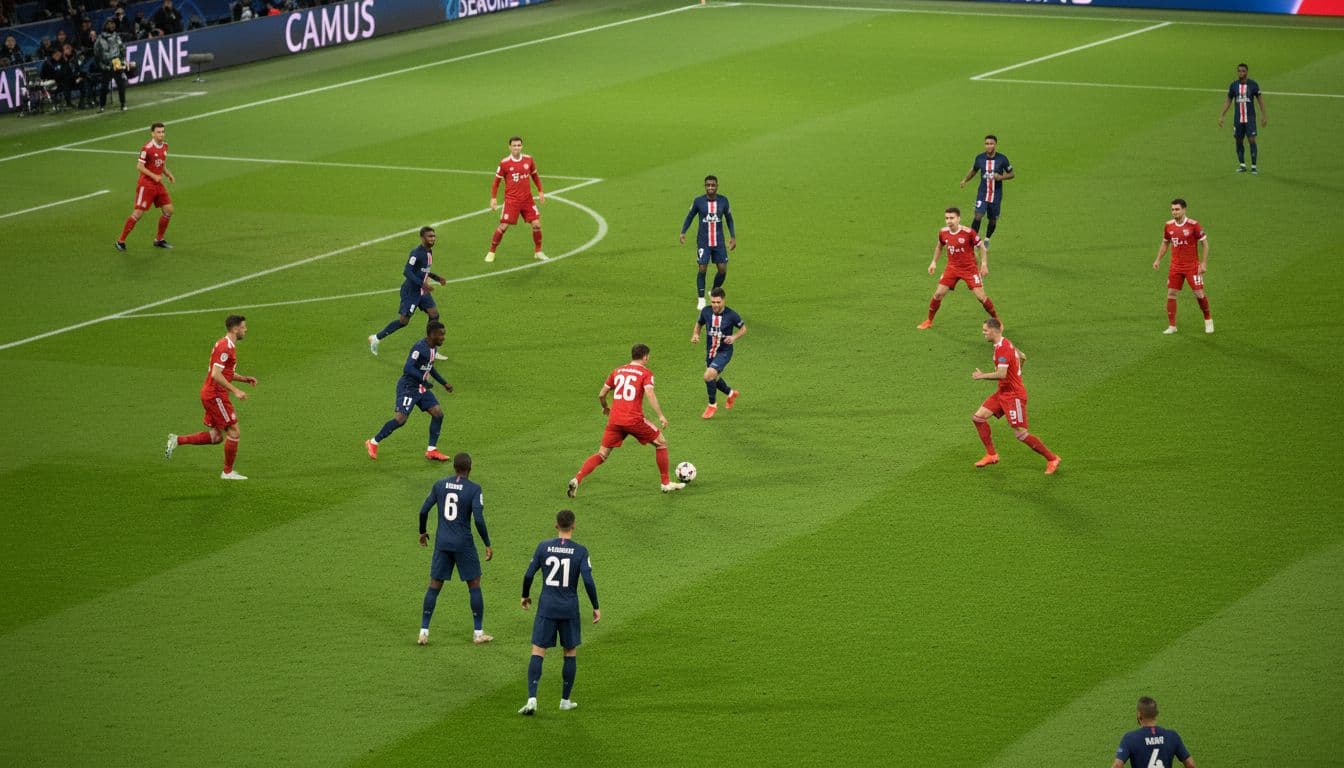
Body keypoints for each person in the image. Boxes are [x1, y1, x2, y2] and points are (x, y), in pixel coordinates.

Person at [566, 343, 685, 496]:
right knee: (661, 443)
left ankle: (577, 478)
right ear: (645, 357)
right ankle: (665, 483)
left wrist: (605, 407)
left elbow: (601, 394)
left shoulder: (617, 371)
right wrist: (661, 415)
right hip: (633, 419)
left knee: (602, 454)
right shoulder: (645, 373)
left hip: (615, 420)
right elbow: (649, 393)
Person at [518, 508, 598, 716]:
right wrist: (595, 606)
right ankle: (564, 700)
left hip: (547, 606)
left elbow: (528, 575)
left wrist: (525, 595)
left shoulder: (544, 547)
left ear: (556, 525)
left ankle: (532, 698)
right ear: (574, 526)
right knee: (569, 652)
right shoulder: (581, 551)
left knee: (538, 651)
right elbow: (588, 580)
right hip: (569, 608)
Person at [164, 314, 257, 480]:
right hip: (215, 395)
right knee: (234, 432)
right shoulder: (225, 347)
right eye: (243, 327)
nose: (246, 330)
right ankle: (227, 473)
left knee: (216, 437)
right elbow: (215, 374)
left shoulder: (226, 344)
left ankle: (177, 440)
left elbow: (224, 372)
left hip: (212, 393)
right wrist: (236, 390)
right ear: (235, 329)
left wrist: (244, 379)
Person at [417, 452, 494, 646]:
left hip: (442, 543)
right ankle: (478, 632)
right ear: (470, 468)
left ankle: (423, 632)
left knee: (434, 586)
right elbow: (478, 518)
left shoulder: (440, 485)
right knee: (474, 584)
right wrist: (487, 543)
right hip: (463, 543)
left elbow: (423, 510)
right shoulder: (474, 489)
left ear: (454, 468)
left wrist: (422, 532)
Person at [971, 317, 1060, 475]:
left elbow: (1001, 374)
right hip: (1003, 392)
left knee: (1021, 434)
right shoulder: (1005, 343)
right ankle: (992, 455)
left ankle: (1052, 458)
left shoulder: (1002, 349)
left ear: (993, 331)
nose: (983, 333)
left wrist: (981, 375)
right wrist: (1017, 374)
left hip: (1014, 396)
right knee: (978, 418)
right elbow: (1022, 355)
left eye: (985, 330)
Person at [365, 320, 453, 462]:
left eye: (444, 334)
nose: (443, 337)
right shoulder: (419, 348)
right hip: (408, 387)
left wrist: (444, 383)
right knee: (400, 420)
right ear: (432, 335)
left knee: (438, 413)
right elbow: (408, 368)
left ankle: (432, 450)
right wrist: (423, 380)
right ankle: (373, 442)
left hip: (420, 387)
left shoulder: (433, 348)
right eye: (441, 334)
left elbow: (430, 367)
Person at [368, 227, 446, 355]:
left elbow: (423, 269)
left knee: (434, 315)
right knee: (404, 321)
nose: (432, 238)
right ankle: (375, 338)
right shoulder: (416, 253)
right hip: (411, 291)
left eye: (433, 236)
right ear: (422, 238)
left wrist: (436, 278)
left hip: (422, 291)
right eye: (429, 236)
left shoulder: (429, 251)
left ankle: (430, 346)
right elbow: (407, 271)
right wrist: (423, 284)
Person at [918, 207, 998, 330]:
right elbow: (939, 246)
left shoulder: (968, 232)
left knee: (981, 297)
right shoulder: (943, 232)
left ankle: (997, 320)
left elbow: (981, 246)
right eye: (947, 218)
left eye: (952, 218)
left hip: (969, 269)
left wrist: (984, 264)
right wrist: (933, 262)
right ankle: (929, 320)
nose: (949, 221)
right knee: (938, 294)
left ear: (958, 218)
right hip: (952, 268)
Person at [1152, 198, 1213, 335]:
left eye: (1177, 209)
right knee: (1171, 293)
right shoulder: (1168, 226)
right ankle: (1172, 326)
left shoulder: (1193, 225)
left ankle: (1208, 320)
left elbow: (1205, 244)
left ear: (1184, 209)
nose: (1174, 212)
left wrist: (1203, 263)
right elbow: (1165, 243)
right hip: (1175, 267)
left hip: (1192, 267)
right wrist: (1158, 260)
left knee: (1199, 293)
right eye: (1172, 209)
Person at [115, 122, 175, 251]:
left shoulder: (165, 146)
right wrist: (154, 176)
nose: (161, 134)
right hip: (146, 185)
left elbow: (161, 163)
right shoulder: (146, 148)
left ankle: (159, 240)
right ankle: (120, 241)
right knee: (138, 213)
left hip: (158, 184)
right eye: (158, 132)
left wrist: (168, 173)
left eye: (163, 132)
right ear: (152, 133)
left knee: (169, 210)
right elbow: (139, 166)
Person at [679, 174, 736, 310]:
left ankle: (714, 289)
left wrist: (733, 237)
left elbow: (729, 219)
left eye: (713, 185)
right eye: (708, 185)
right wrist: (683, 232)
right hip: (704, 242)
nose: (710, 187)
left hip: (719, 242)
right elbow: (690, 216)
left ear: (717, 186)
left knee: (722, 270)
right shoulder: (698, 201)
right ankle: (701, 299)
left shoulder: (724, 201)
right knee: (702, 268)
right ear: (705, 186)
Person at [485, 135, 546, 263]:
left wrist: (540, 191)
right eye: (514, 146)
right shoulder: (505, 163)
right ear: (510, 147)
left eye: (519, 145)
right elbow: (496, 182)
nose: (517, 148)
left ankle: (538, 251)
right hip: (512, 201)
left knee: (536, 224)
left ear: (521, 146)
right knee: (503, 226)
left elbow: (535, 176)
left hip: (527, 200)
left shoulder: (529, 160)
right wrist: (493, 198)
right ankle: (491, 251)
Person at [690, 287, 745, 419]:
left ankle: (712, 405)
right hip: (711, 351)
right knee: (714, 378)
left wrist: (734, 337)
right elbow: (699, 324)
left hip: (724, 352)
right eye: (713, 302)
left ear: (723, 301)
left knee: (708, 376)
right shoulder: (706, 311)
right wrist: (695, 334)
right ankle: (731, 393)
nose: (715, 305)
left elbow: (743, 329)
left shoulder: (731, 315)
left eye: (718, 302)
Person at [959, 134, 1014, 248]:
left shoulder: (1002, 159)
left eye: (991, 144)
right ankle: (972, 241)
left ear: (995, 145)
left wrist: (1000, 177)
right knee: (978, 216)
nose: (989, 146)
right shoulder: (980, 158)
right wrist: (965, 180)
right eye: (987, 144)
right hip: (982, 193)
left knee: (993, 220)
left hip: (996, 195)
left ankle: (987, 238)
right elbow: (974, 170)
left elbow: (1012, 174)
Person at [1112, 696, 1197, 768]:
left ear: (1139, 714)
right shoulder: (1172, 736)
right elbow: (1190, 765)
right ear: (1156, 714)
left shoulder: (1130, 738)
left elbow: (1117, 766)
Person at [1218, 63, 1267, 174]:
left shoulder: (1253, 85)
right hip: (1238, 118)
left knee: (1251, 140)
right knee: (1238, 140)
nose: (1241, 73)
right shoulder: (1234, 85)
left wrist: (1263, 115)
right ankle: (1242, 165)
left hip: (1250, 118)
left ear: (1247, 72)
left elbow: (1260, 100)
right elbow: (1228, 100)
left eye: (1243, 71)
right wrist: (1222, 115)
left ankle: (1254, 166)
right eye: (1239, 71)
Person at [93, 18, 128, 112]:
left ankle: (123, 104)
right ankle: (102, 106)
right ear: (105, 25)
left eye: (113, 24)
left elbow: (122, 49)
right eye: (109, 24)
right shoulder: (100, 39)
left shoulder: (117, 36)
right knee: (104, 87)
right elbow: (96, 54)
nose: (112, 26)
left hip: (116, 62)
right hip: (106, 64)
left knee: (121, 84)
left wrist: (123, 60)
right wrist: (101, 65)